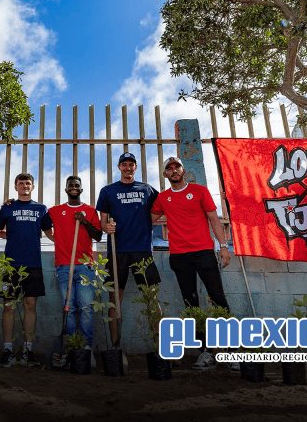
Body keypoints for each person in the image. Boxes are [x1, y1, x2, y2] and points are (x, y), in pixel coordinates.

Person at [150, 156, 233, 371]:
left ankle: (232, 352)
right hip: (179, 256)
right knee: (191, 303)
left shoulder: (199, 191)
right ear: (165, 174)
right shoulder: (163, 198)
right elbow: (146, 219)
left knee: (218, 298)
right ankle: (205, 352)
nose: (174, 170)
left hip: (204, 252)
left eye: (177, 166)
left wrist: (223, 246)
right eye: (169, 168)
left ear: (183, 170)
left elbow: (214, 219)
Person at [96, 152, 161, 346]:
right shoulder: (108, 191)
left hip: (142, 250)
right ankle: (116, 345)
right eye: (124, 164)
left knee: (151, 296)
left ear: (135, 167)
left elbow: (162, 207)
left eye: (131, 164)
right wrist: (106, 227)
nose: (128, 167)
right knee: (115, 298)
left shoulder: (147, 189)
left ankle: (159, 344)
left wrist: (146, 222)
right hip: (118, 251)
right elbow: (103, 222)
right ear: (119, 167)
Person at [42, 176, 103, 368]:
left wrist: (84, 222)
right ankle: (69, 349)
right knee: (69, 310)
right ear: (66, 189)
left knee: (85, 309)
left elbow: (99, 236)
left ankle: (85, 349)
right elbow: (42, 223)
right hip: (63, 266)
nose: (74, 188)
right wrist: (56, 238)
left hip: (85, 266)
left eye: (77, 185)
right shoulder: (55, 211)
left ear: (81, 189)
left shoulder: (90, 211)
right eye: (71, 185)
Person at [0, 173, 52, 367]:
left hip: (33, 264)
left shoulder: (41, 209)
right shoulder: (8, 207)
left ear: (32, 186)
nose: (25, 186)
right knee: (8, 306)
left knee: (30, 305)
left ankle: (28, 350)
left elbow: (50, 234)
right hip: (10, 264)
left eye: (28, 183)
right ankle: (8, 349)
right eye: (21, 183)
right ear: (16, 187)